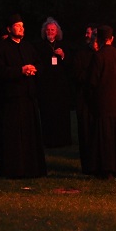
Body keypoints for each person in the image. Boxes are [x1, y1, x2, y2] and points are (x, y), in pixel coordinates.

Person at [0, 16, 47, 179]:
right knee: (14, 137)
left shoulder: (28, 46)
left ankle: (32, 169)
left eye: (22, 26)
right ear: (9, 29)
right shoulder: (2, 48)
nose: (21, 28)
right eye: (17, 26)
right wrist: (20, 71)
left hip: (29, 97)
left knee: (30, 136)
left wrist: (34, 69)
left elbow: (40, 64)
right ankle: (13, 170)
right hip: (12, 99)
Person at [87, 25, 116, 178]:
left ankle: (106, 168)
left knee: (105, 137)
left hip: (103, 102)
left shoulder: (98, 56)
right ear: (112, 39)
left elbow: (93, 81)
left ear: (98, 39)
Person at [36, 17, 73, 148]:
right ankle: (49, 140)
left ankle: (63, 140)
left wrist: (63, 55)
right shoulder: (39, 46)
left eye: (52, 29)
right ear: (44, 32)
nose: (50, 32)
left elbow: (70, 65)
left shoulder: (64, 45)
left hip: (60, 86)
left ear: (57, 32)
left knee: (61, 113)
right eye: (48, 30)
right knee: (48, 113)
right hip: (46, 85)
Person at [73, 25, 98, 174]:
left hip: (99, 100)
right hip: (84, 99)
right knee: (86, 132)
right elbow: (77, 75)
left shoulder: (102, 55)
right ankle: (87, 165)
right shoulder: (81, 54)